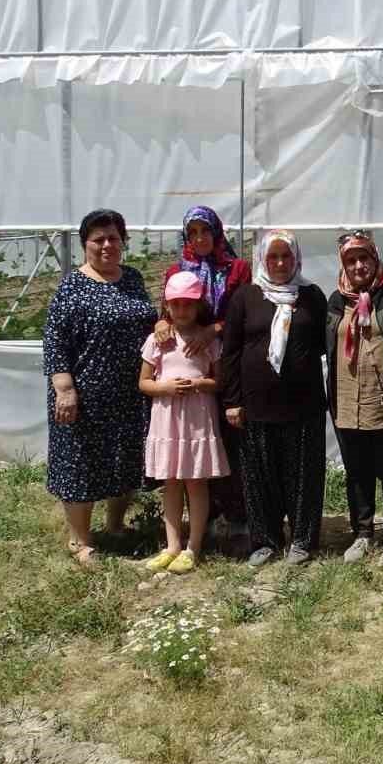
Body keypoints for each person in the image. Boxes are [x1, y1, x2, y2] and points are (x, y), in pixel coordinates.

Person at [43, 208, 157, 565]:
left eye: (113, 238)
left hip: (130, 392)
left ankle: (115, 526)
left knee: (125, 460)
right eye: (99, 239)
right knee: (81, 463)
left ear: (123, 241)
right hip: (85, 395)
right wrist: (64, 387)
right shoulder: (72, 286)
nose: (107, 245)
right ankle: (80, 539)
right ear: (85, 245)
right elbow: (55, 340)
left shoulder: (133, 279)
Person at [222, 229, 329, 566]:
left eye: (287, 256)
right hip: (256, 405)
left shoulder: (312, 296)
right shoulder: (246, 296)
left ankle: (302, 538)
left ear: (296, 258)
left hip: (304, 404)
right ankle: (265, 539)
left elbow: (326, 345)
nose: (281, 262)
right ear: (262, 259)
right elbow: (231, 352)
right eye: (273, 256)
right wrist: (232, 401)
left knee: (304, 475)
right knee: (259, 475)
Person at [158, 206, 253, 542]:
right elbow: (165, 312)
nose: (199, 238)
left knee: (228, 441)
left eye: (205, 231)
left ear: (216, 233)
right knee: (192, 443)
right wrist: (160, 323)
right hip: (188, 365)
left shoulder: (237, 268)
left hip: (226, 361)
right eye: (193, 232)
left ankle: (238, 517)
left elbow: (243, 313)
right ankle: (204, 521)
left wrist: (212, 329)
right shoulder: (176, 270)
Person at [327, 230, 383, 567]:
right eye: (351, 260)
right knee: (357, 471)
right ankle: (362, 533)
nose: (359, 265)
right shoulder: (335, 300)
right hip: (348, 397)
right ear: (343, 265)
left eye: (365, 258)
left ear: (376, 258)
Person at [138, 272, 229, 574]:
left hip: (197, 418)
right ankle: (172, 545)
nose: (181, 311)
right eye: (175, 305)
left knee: (196, 482)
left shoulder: (208, 340)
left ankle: (194, 546)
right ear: (167, 306)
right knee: (171, 482)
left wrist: (201, 383)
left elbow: (220, 381)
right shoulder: (157, 339)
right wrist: (164, 388)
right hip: (167, 418)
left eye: (188, 304)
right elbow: (144, 383)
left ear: (198, 305)